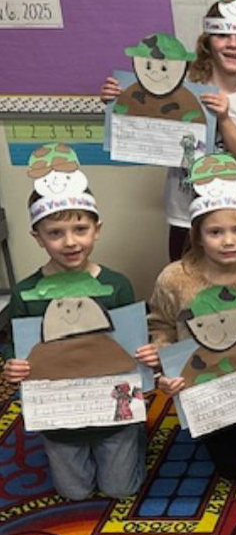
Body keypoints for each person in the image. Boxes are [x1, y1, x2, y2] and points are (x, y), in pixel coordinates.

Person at [3, 144, 157, 499]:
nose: (70, 242)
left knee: (121, 489)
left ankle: (133, 439)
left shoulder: (116, 284)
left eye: (80, 229)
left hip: (113, 409)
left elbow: (132, 341)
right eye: (55, 233)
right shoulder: (26, 293)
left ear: (96, 230)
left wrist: (146, 355)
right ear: (37, 237)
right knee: (75, 493)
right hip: (60, 416)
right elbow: (15, 344)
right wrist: (13, 364)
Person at [100, 0, 236, 259]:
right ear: (208, 42)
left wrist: (225, 120)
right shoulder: (179, 87)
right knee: (185, 284)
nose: (232, 43)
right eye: (222, 35)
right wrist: (117, 102)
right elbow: (145, 126)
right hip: (185, 212)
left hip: (234, 214)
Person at [148, 154, 236, 480]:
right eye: (215, 232)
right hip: (204, 391)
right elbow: (161, 325)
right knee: (230, 468)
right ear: (197, 236)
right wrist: (163, 360)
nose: (228, 241)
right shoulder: (173, 279)